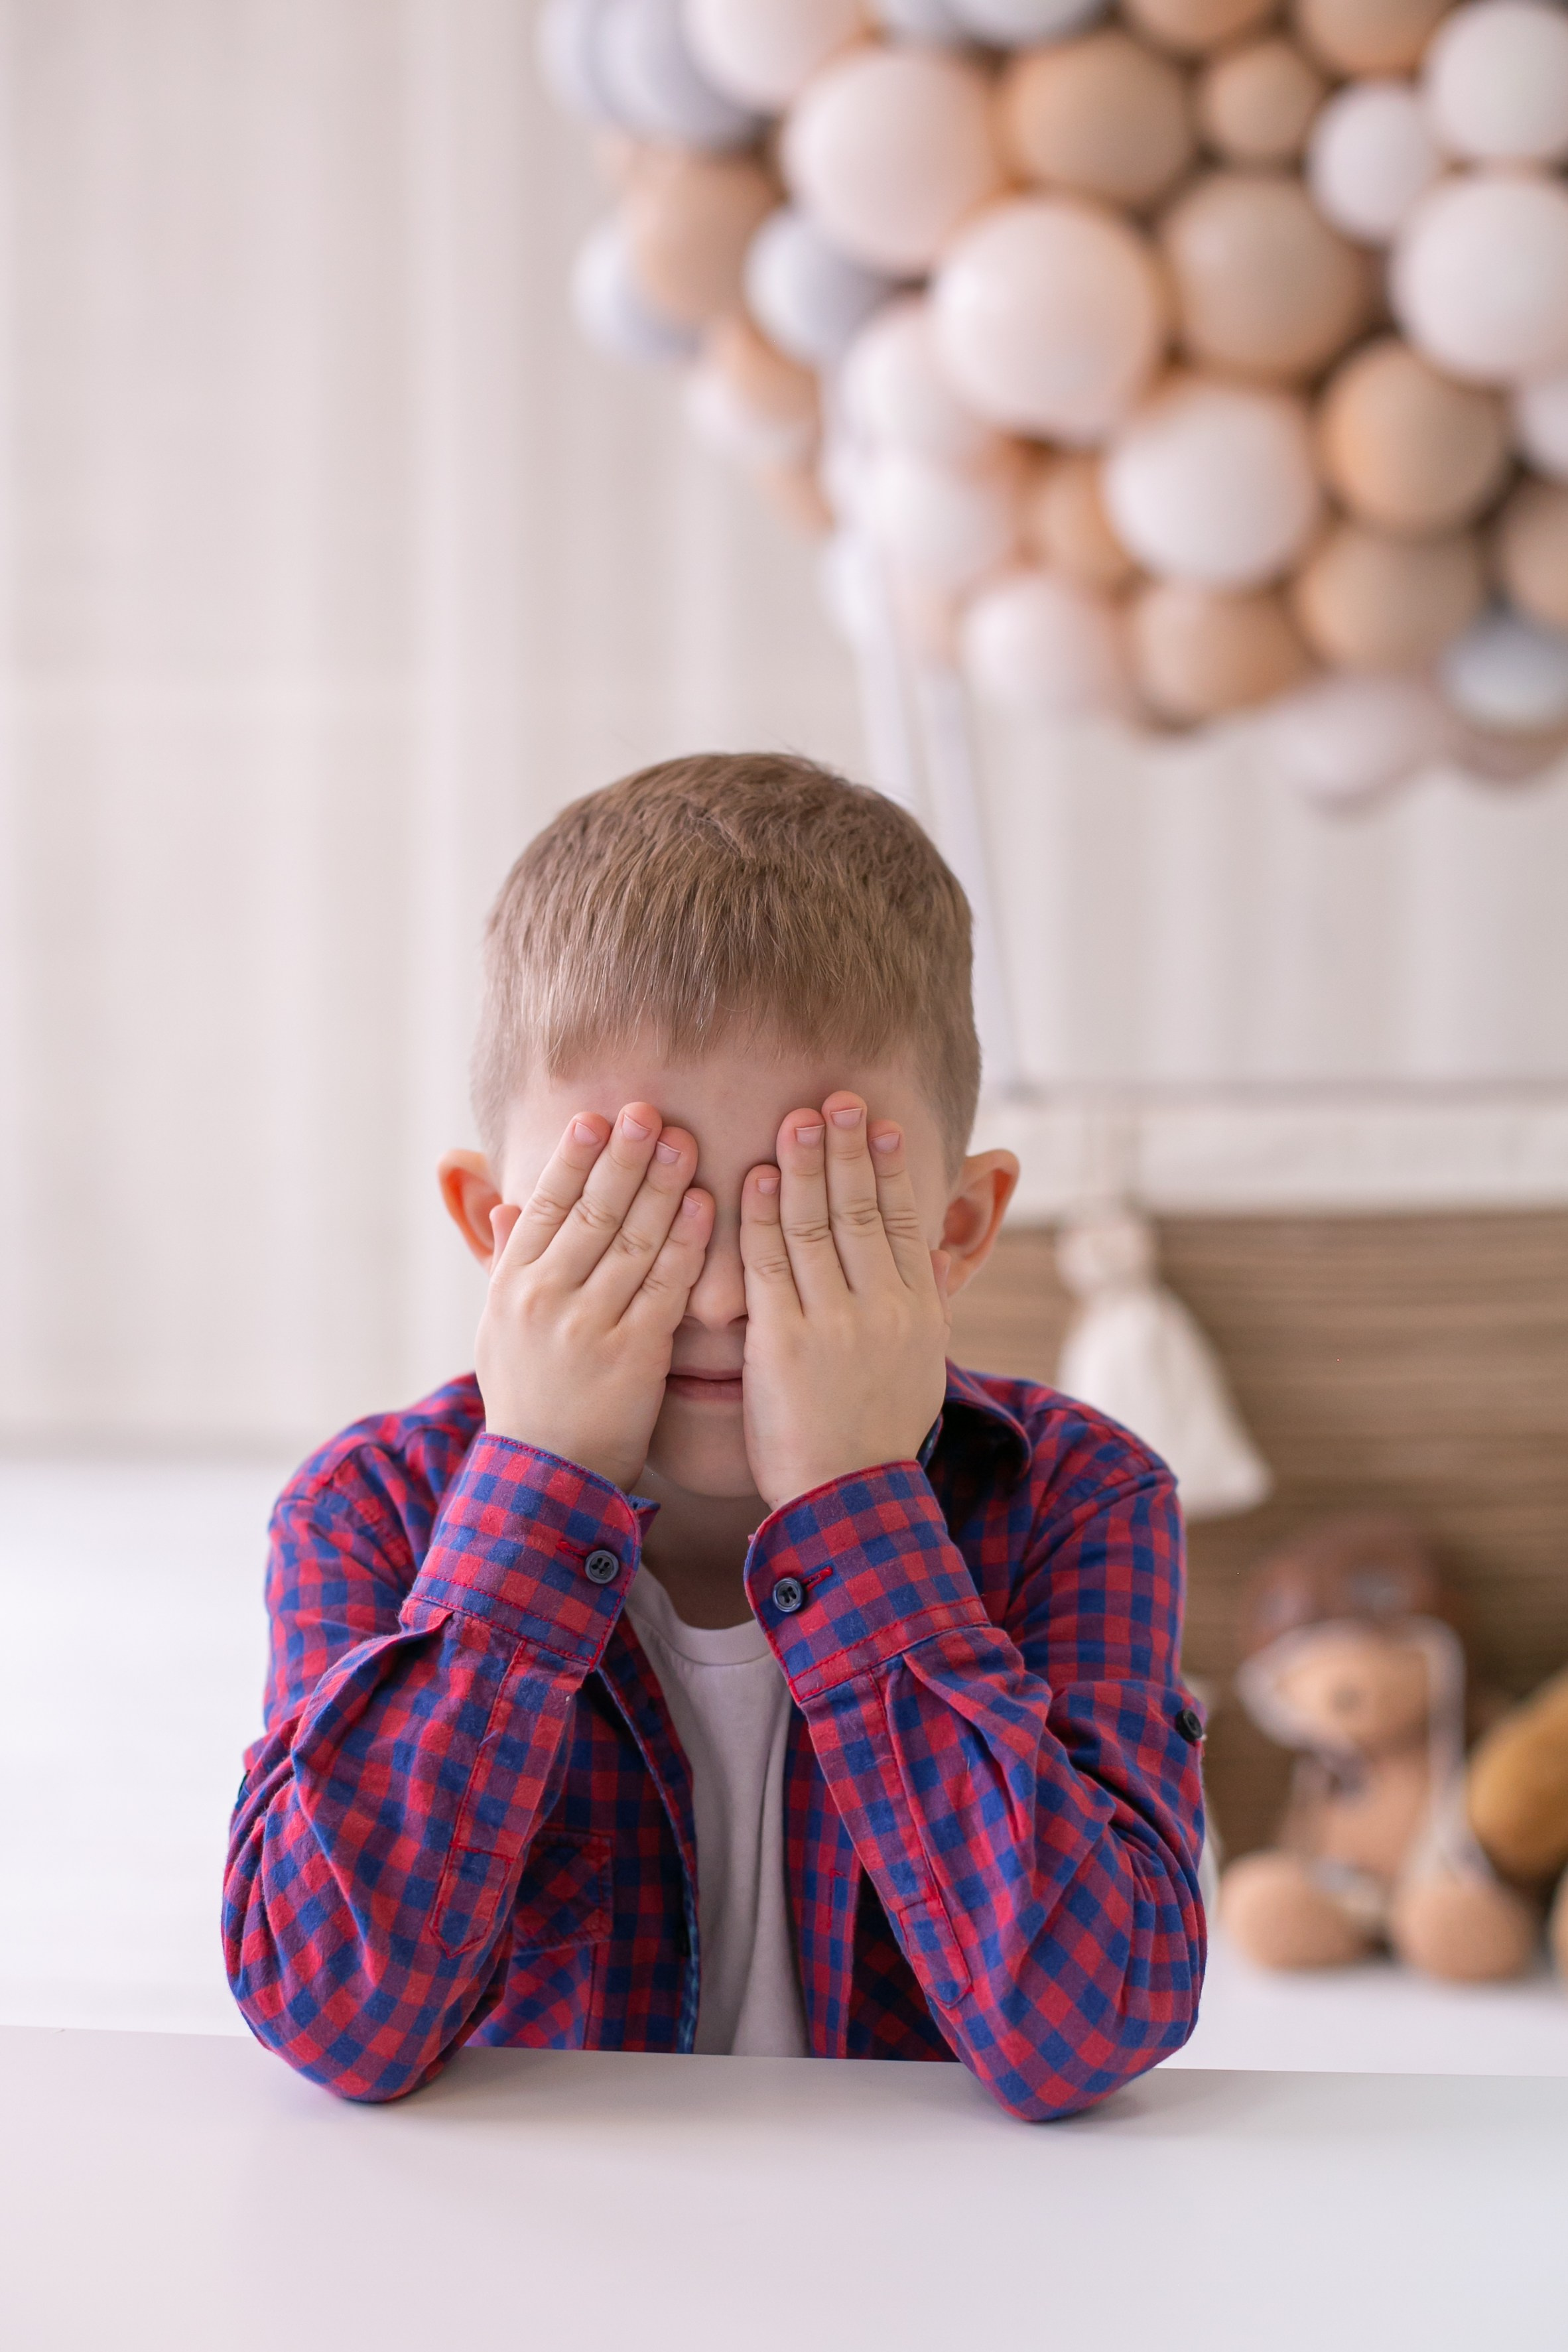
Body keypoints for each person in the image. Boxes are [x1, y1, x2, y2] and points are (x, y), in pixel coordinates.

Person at [223, 751, 1205, 2119]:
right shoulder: (370, 1511)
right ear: (493, 1229)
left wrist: (857, 1505)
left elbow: (1091, 2026)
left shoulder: (1076, 1498)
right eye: (635, 1210)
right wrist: (538, 1489)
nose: (729, 1294)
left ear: (957, 1229)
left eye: (808, 1211)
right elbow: (333, 2012)